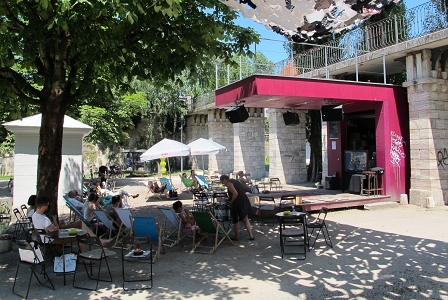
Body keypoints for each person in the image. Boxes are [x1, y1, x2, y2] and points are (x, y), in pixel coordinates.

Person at [220, 174, 254, 241]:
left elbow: (235, 193)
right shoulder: (235, 181)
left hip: (238, 203)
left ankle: (237, 236)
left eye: (222, 181)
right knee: (246, 219)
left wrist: (231, 201)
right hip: (244, 200)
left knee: (236, 220)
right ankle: (251, 236)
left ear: (224, 180)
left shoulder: (229, 183)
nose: (222, 183)